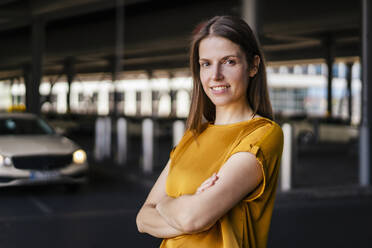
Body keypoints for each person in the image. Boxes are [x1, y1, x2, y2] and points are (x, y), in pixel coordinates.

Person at [136, 15, 284, 248]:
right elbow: (142, 219)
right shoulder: (193, 136)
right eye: (206, 64)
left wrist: (166, 204)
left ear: (253, 66)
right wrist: (190, 205)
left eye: (229, 61)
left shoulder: (263, 134)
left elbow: (193, 217)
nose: (215, 75)